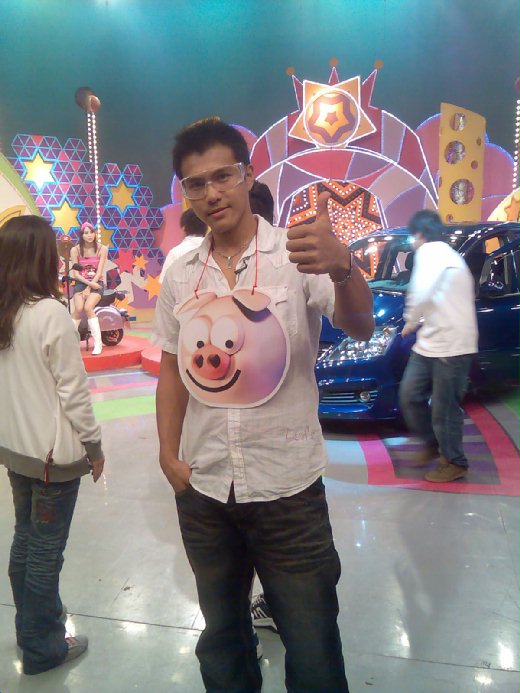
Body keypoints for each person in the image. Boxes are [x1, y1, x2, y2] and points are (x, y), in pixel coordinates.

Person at [153, 117, 374, 692]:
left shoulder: (296, 253)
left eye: (223, 176)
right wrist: (168, 454)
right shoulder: (180, 272)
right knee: (223, 639)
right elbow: (172, 367)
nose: (211, 193)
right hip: (206, 489)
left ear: (247, 175)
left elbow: (359, 323)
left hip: (287, 490)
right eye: (196, 183)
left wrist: (344, 266)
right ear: (185, 192)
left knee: (312, 644)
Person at [0, 215, 105, 675]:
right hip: (52, 458)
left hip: (16, 450)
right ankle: (43, 647)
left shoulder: (6, 312)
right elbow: (74, 393)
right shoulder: (49, 314)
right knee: (44, 552)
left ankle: (32, 633)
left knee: (25, 542)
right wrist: (94, 447)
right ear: (41, 257)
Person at [399, 209, 478, 482]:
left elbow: (420, 290)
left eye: (412, 236)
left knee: (444, 409)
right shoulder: (447, 256)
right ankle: (432, 444)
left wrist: (410, 321)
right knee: (410, 395)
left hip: (452, 345)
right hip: (431, 341)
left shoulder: (432, 252)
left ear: (420, 234)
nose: (412, 241)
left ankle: (455, 461)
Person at [70, 222, 108, 355]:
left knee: (88, 308)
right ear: (81, 235)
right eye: (86, 233)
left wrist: (90, 287)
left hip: (97, 282)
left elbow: (99, 272)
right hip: (81, 283)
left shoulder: (102, 249)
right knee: (78, 308)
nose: (90, 235)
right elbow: (75, 274)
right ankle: (71, 343)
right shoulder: (75, 250)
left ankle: (98, 344)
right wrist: (88, 286)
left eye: (91, 232)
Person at [159, 208, 207, 283]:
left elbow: (165, 285)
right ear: (205, 228)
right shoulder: (216, 250)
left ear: (183, 229)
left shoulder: (175, 253)